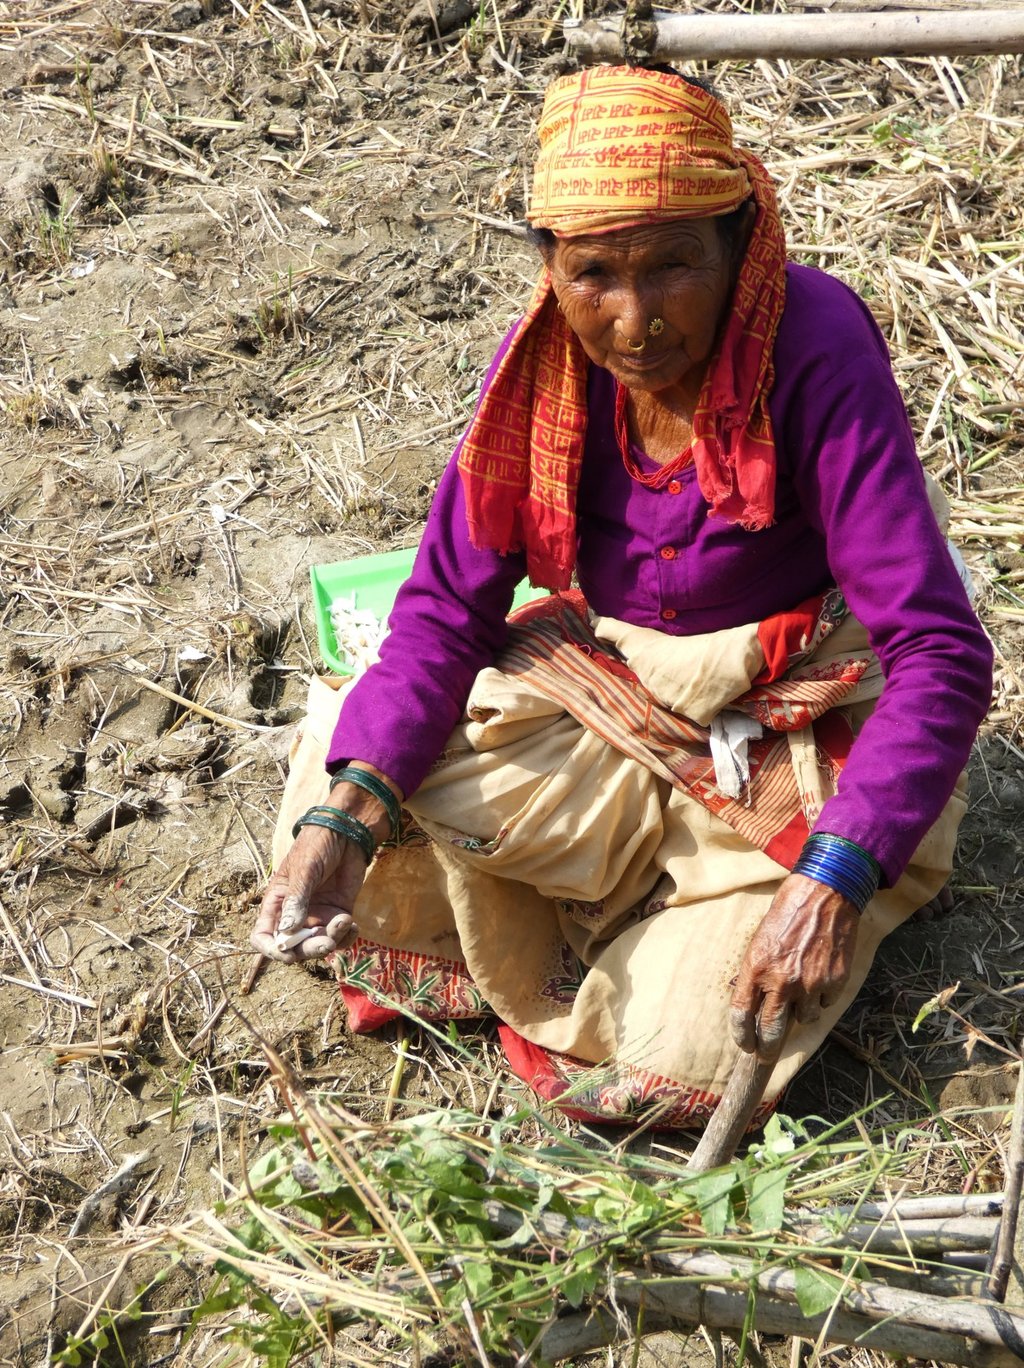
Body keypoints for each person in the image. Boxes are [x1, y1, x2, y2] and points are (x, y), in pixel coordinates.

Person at [252, 64, 992, 1127]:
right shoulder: (540, 370)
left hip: (779, 717)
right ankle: (591, 901)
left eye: (673, 268)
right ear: (548, 266)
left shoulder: (816, 345)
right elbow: (445, 611)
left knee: (683, 1061)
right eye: (593, 273)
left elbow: (939, 652)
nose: (635, 321)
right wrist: (347, 820)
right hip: (606, 690)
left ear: (738, 245)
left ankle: (711, 905)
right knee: (343, 757)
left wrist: (832, 879)